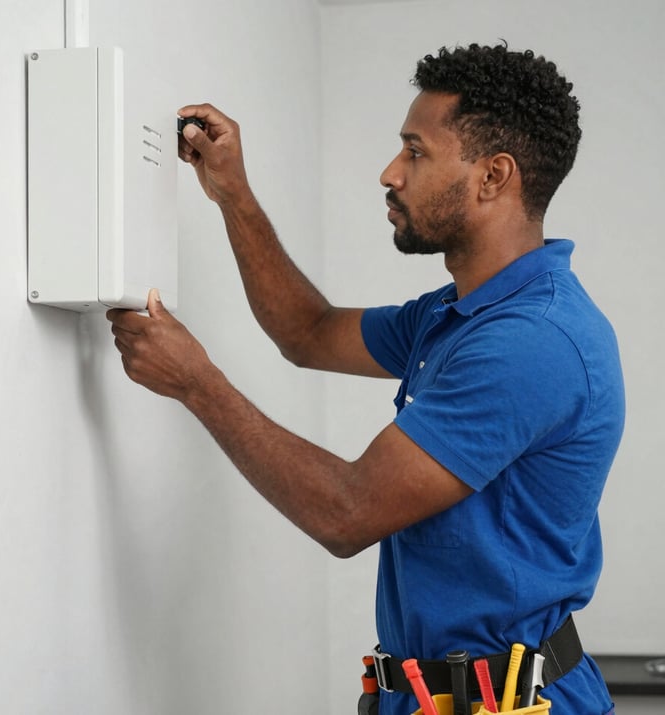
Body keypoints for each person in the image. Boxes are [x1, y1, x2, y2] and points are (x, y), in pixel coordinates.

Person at [108, 42, 624, 715]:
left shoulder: (531, 342)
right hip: (427, 695)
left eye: (416, 151)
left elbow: (346, 513)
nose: (391, 172)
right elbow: (308, 330)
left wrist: (197, 384)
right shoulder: (458, 315)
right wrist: (232, 193)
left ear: (493, 177)